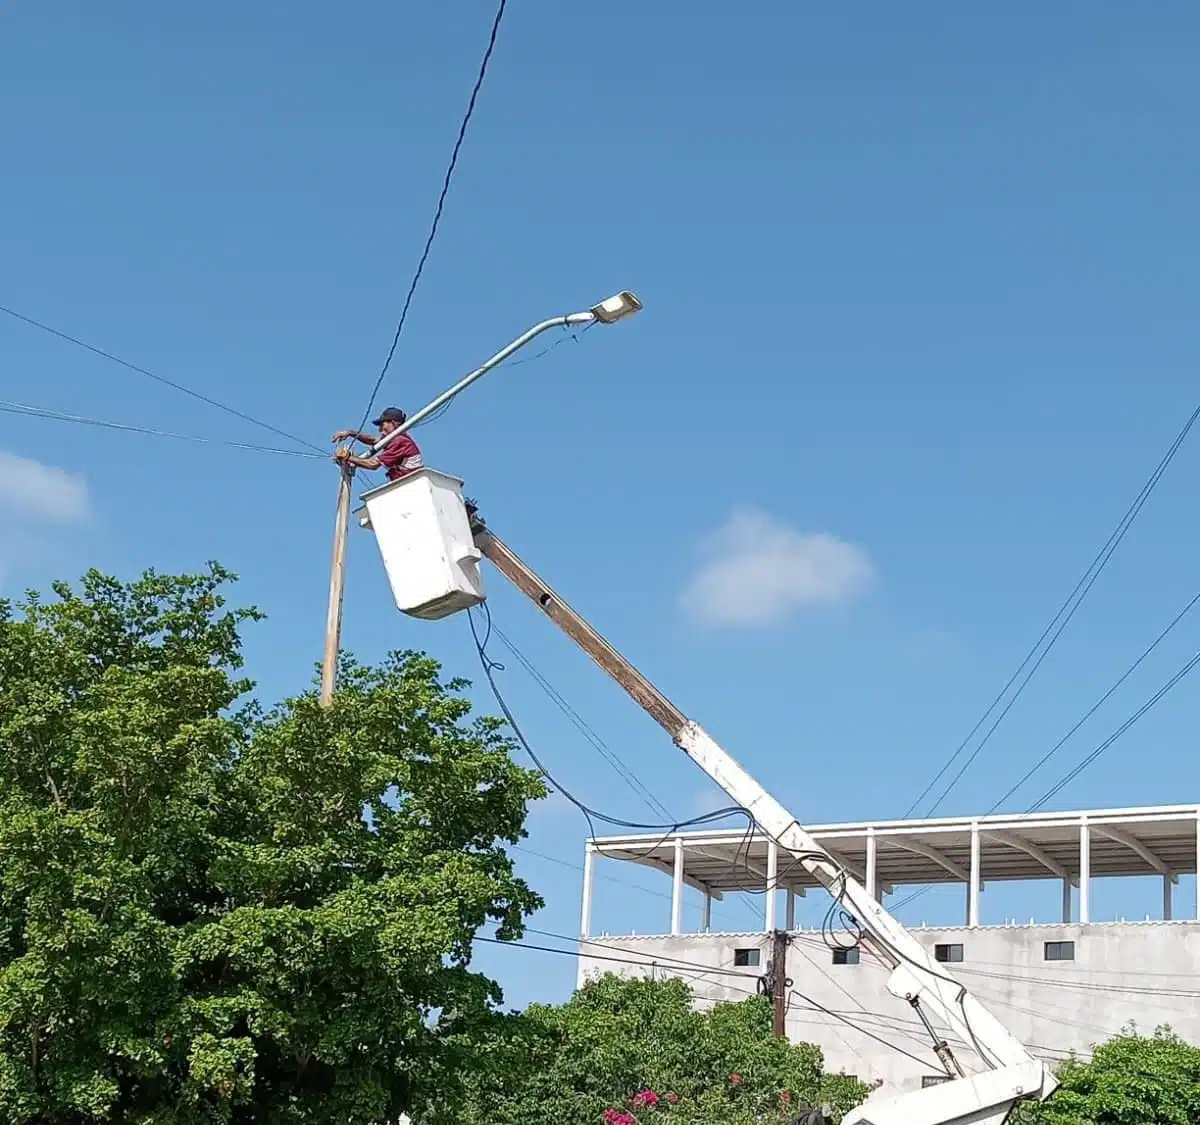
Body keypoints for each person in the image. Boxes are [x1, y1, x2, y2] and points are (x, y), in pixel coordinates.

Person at [331, 407, 424, 480]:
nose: (379, 429)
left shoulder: (400, 441)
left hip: (411, 484)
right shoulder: (395, 438)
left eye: (382, 425)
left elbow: (373, 464)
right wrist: (350, 433)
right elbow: (373, 440)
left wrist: (348, 458)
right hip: (406, 483)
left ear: (393, 423)